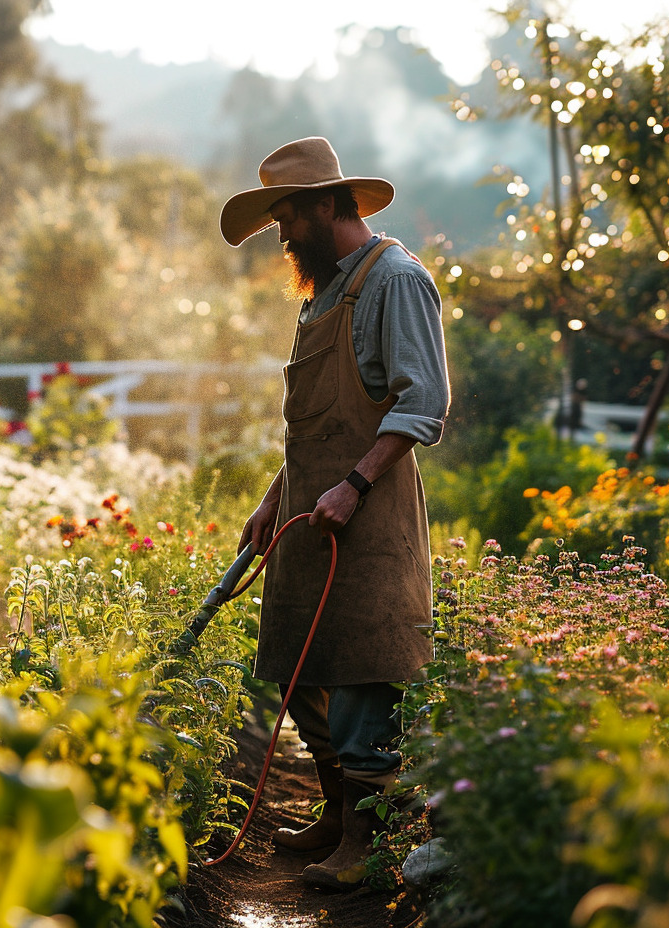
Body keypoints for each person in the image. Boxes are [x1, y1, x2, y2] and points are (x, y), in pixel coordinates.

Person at [221, 137, 450, 890]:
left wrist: (354, 484)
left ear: (327, 205)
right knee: (304, 668)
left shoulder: (396, 282)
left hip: (368, 514)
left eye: (288, 218)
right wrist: (271, 498)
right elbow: (312, 424)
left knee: (362, 668)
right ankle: (334, 813)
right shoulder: (324, 291)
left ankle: (368, 846)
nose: (282, 236)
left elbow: (423, 404)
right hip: (309, 508)